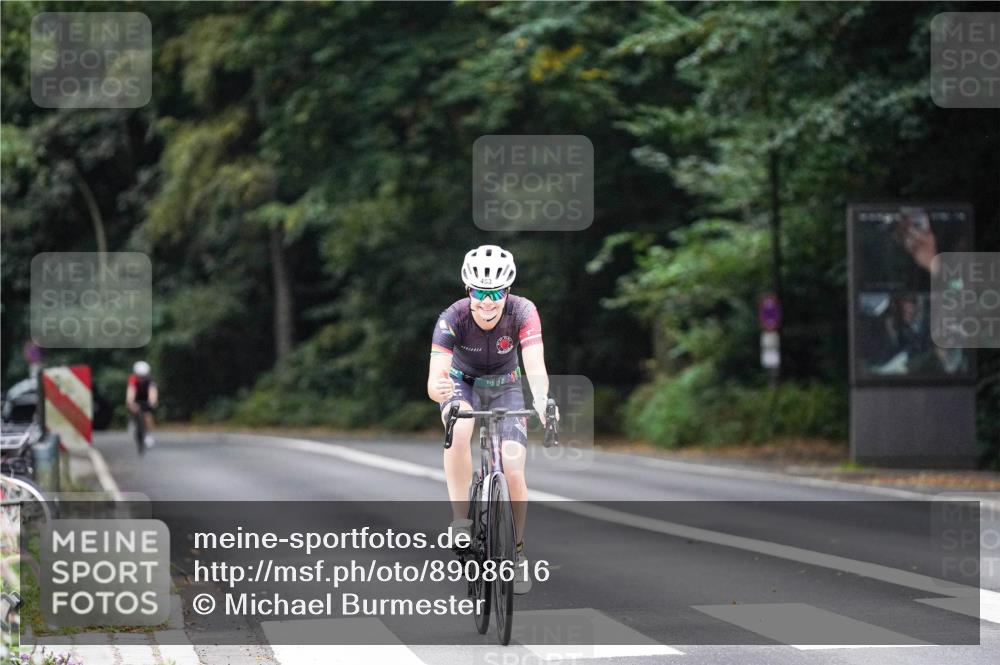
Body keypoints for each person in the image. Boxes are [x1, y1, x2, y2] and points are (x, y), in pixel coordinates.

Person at [427, 245, 554, 594]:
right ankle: (461, 520)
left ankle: (517, 551)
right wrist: (440, 390)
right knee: (462, 424)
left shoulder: (524, 311)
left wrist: (542, 399)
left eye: (495, 293)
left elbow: (535, 364)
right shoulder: (451, 318)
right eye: (480, 293)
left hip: (506, 387)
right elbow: (434, 380)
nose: (487, 302)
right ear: (468, 290)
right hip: (461, 385)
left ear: (507, 291)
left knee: (513, 468)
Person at [126, 360, 158, 450]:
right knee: (134, 411)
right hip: (136, 398)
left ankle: (148, 434)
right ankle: (133, 422)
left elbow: (153, 391)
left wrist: (153, 401)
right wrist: (130, 403)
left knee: (148, 416)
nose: (141, 378)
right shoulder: (133, 379)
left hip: (146, 399)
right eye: (140, 376)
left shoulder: (151, 379)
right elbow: (130, 391)